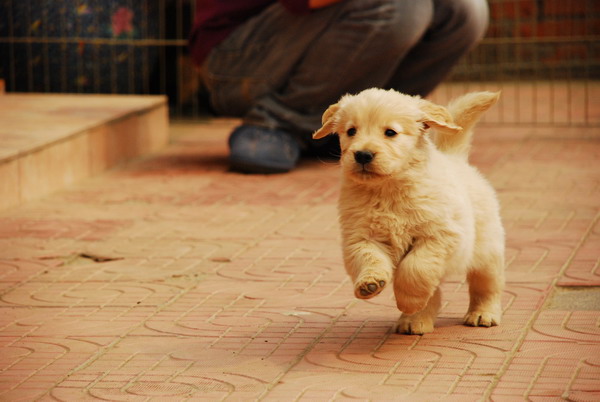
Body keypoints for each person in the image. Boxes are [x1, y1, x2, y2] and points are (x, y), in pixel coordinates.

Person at [189, 0, 489, 174]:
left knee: (465, 9)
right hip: (234, 64)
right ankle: (278, 122)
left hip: (298, 44)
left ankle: (366, 125)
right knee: (401, 4)